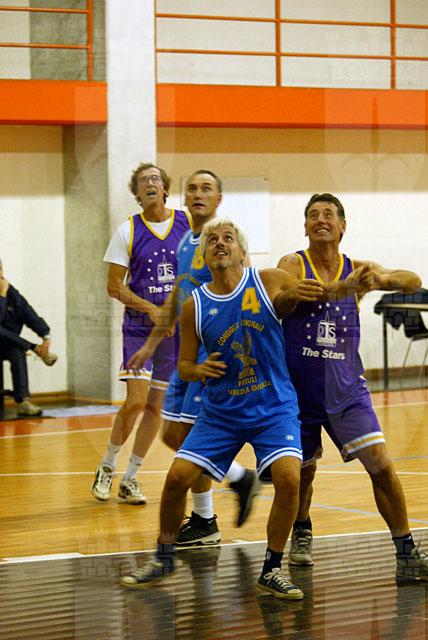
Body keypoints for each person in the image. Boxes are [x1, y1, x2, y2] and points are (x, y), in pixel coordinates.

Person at [119, 218, 327, 598]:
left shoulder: (267, 281)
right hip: (221, 414)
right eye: (212, 239)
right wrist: (197, 370)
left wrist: (312, 292)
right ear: (204, 254)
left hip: (273, 407)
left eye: (228, 238)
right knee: (176, 479)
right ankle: (163, 558)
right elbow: (184, 365)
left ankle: (271, 569)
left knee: (289, 479)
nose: (219, 243)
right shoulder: (194, 305)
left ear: (242, 251)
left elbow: (289, 301)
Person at [278, 192, 428, 583]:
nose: (320, 219)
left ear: (342, 226)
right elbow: (278, 302)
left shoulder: (358, 269)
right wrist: (296, 294)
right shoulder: (293, 264)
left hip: (346, 392)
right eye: (313, 215)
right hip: (298, 393)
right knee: (303, 475)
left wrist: (382, 280)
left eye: (328, 214)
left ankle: (406, 553)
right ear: (305, 226)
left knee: (382, 465)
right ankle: (302, 529)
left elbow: (412, 281)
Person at [127, 171, 260, 544]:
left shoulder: (226, 240)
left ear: (219, 199)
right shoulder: (187, 241)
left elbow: (246, 291)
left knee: (190, 436)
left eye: (206, 188)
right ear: (183, 197)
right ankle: (224, 495)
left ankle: (211, 512)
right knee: (173, 433)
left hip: (214, 352)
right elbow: (177, 294)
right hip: (187, 353)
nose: (198, 194)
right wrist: (150, 345)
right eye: (192, 188)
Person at [91, 163, 191, 504]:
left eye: (155, 178)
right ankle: (107, 465)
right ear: (137, 193)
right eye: (143, 180)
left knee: (155, 408)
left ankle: (131, 477)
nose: (150, 183)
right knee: (135, 402)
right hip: (139, 327)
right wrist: (151, 309)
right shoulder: (127, 231)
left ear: (165, 188)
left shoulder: (187, 224)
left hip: (175, 332)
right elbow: (114, 286)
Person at [0, 258, 57, 416]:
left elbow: (27, 312)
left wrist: (45, 336)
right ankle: (33, 348)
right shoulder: (3, 291)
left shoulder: (11, 291)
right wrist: (2, 296)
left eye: (0, 270)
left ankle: (23, 401)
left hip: (8, 343)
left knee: (17, 351)